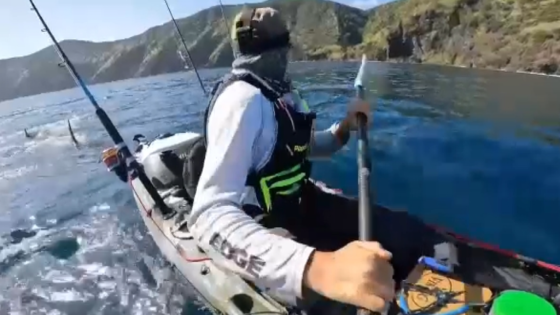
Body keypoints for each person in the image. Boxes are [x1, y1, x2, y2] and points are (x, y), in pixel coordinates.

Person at [187, 6, 560, 314]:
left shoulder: (282, 96)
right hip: (268, 224)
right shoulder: (241, 102)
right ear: (279, 50)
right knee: (338, 302)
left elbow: (299, 148)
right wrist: (320, 268)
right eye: (280, 52)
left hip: (306, 203)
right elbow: (209, 217)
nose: (285, 58)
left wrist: (344, 129)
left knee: (407, 232)